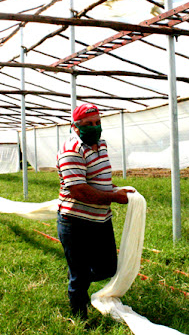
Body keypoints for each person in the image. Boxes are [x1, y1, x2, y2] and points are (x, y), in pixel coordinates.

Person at [56, 103, 134, 319]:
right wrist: (114, 197)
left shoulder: (101, 145)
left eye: (98, 122)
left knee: (108, 268)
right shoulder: (71, 150)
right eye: (89, 124)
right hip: (76, 222)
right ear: (76, 127)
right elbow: (79, 191)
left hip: (100, 219)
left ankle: (78, 280)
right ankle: (79, 317)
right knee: (79, 276)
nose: (95, 127)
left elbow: (98, 180)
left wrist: (115, 189)